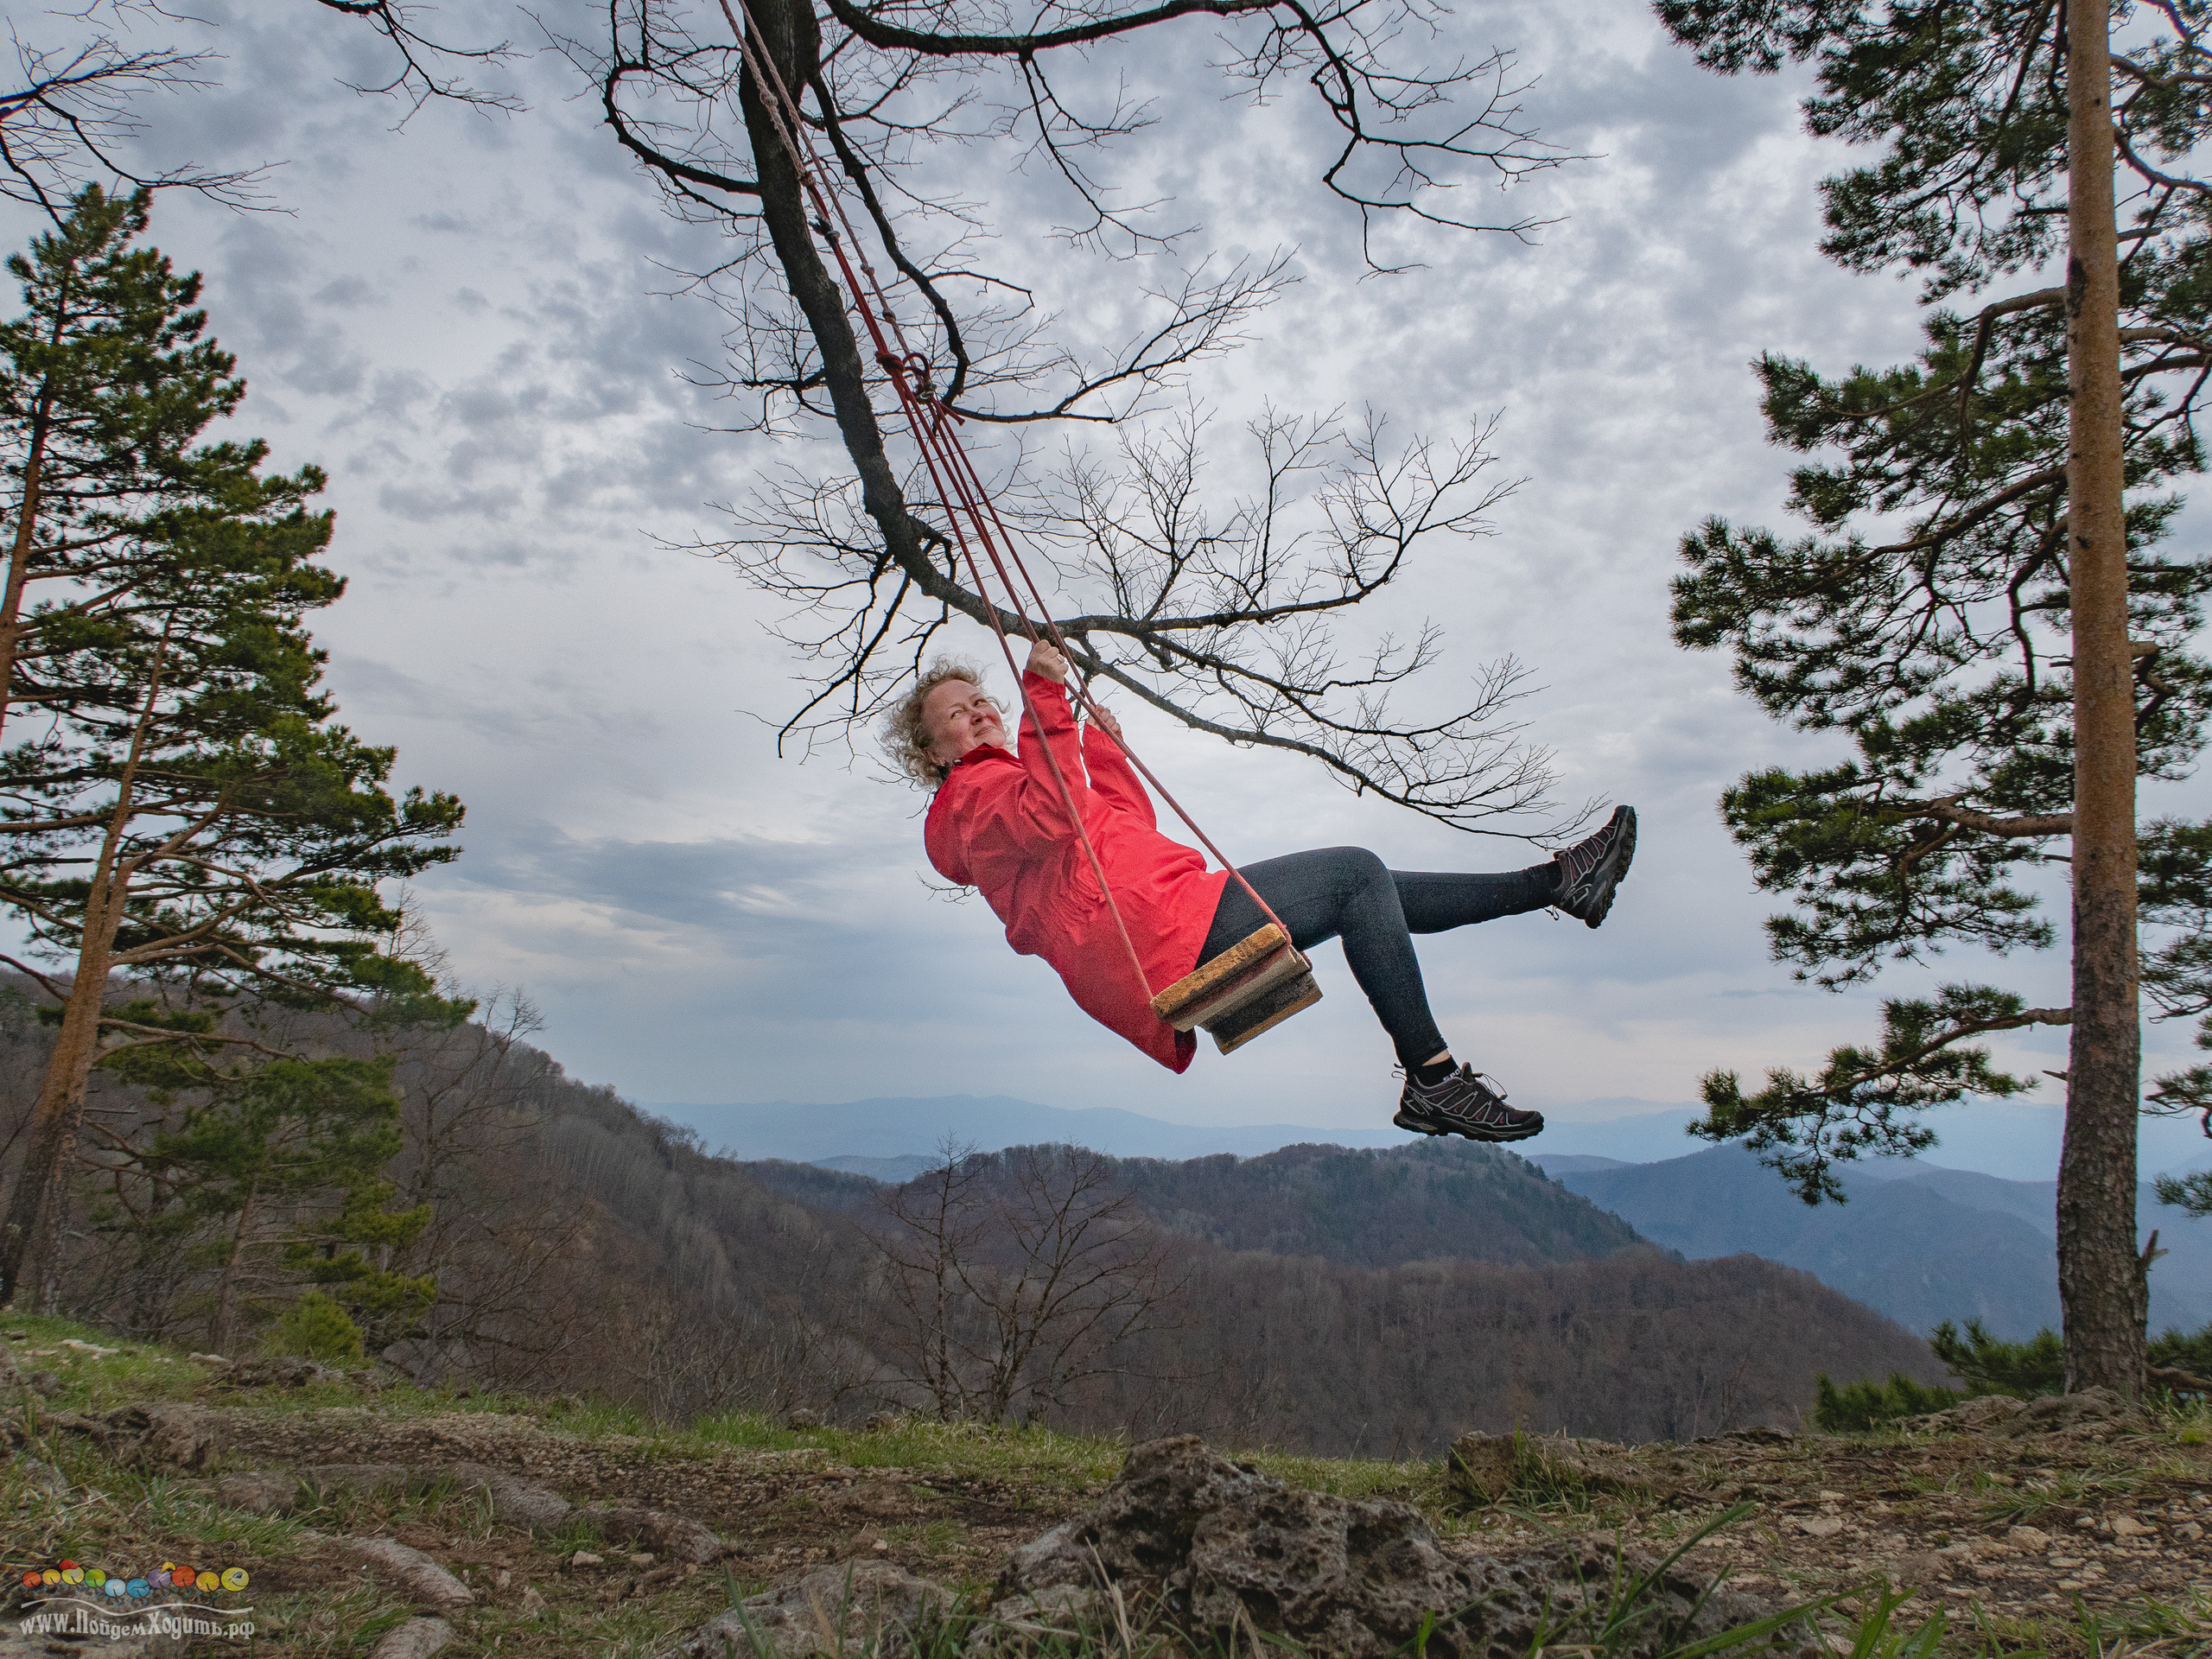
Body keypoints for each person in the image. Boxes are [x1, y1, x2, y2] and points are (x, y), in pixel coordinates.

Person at [884, 641, 1636, 1141]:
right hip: (1156, 941)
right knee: (1354, 872)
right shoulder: (969, 806)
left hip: (1166, 917)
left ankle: (1557, 886)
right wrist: (1044, 702)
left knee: (1363, 892)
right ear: (932, 749)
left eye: (983, 700)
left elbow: (1119, 831)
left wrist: (1101, 749)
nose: (982, 710)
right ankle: (1435, 1079)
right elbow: (1054, 814)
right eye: (960, 711)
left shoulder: (1008, 783)